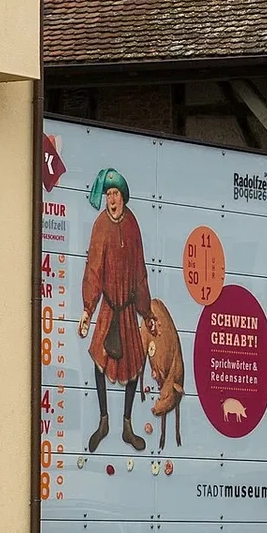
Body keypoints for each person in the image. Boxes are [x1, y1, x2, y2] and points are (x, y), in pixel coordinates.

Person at [78, 166, 153, 452]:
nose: (111, 199)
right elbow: (93, 268)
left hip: (128, 309)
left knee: (134, 366)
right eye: (108, 194)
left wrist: (146, 313)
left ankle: (127, 425)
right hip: (109, 307)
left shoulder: (132, 224)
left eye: (116, 193)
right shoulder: (100, 225)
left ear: (123, 196)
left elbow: (139, 270)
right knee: (100, 360)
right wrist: (88, 309)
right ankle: (103, 420)